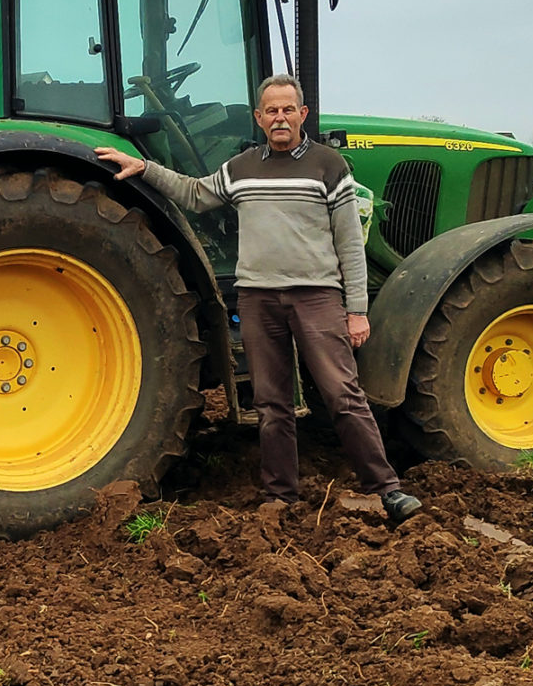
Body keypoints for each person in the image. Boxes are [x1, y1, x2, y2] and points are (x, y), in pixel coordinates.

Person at [96, 74, 423, 526]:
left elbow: (351, 243)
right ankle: (280, 498)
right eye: (271, 110)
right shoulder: (242, 166)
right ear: (259, 117)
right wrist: (145, 167)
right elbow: (196, 193)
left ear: (302, 114)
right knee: (271, 403)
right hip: (257, 299)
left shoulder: (330, 167)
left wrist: (358, 310)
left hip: (316, 297)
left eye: (288, 109)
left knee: (342, 394)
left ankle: (387, 490)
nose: (280, 118)